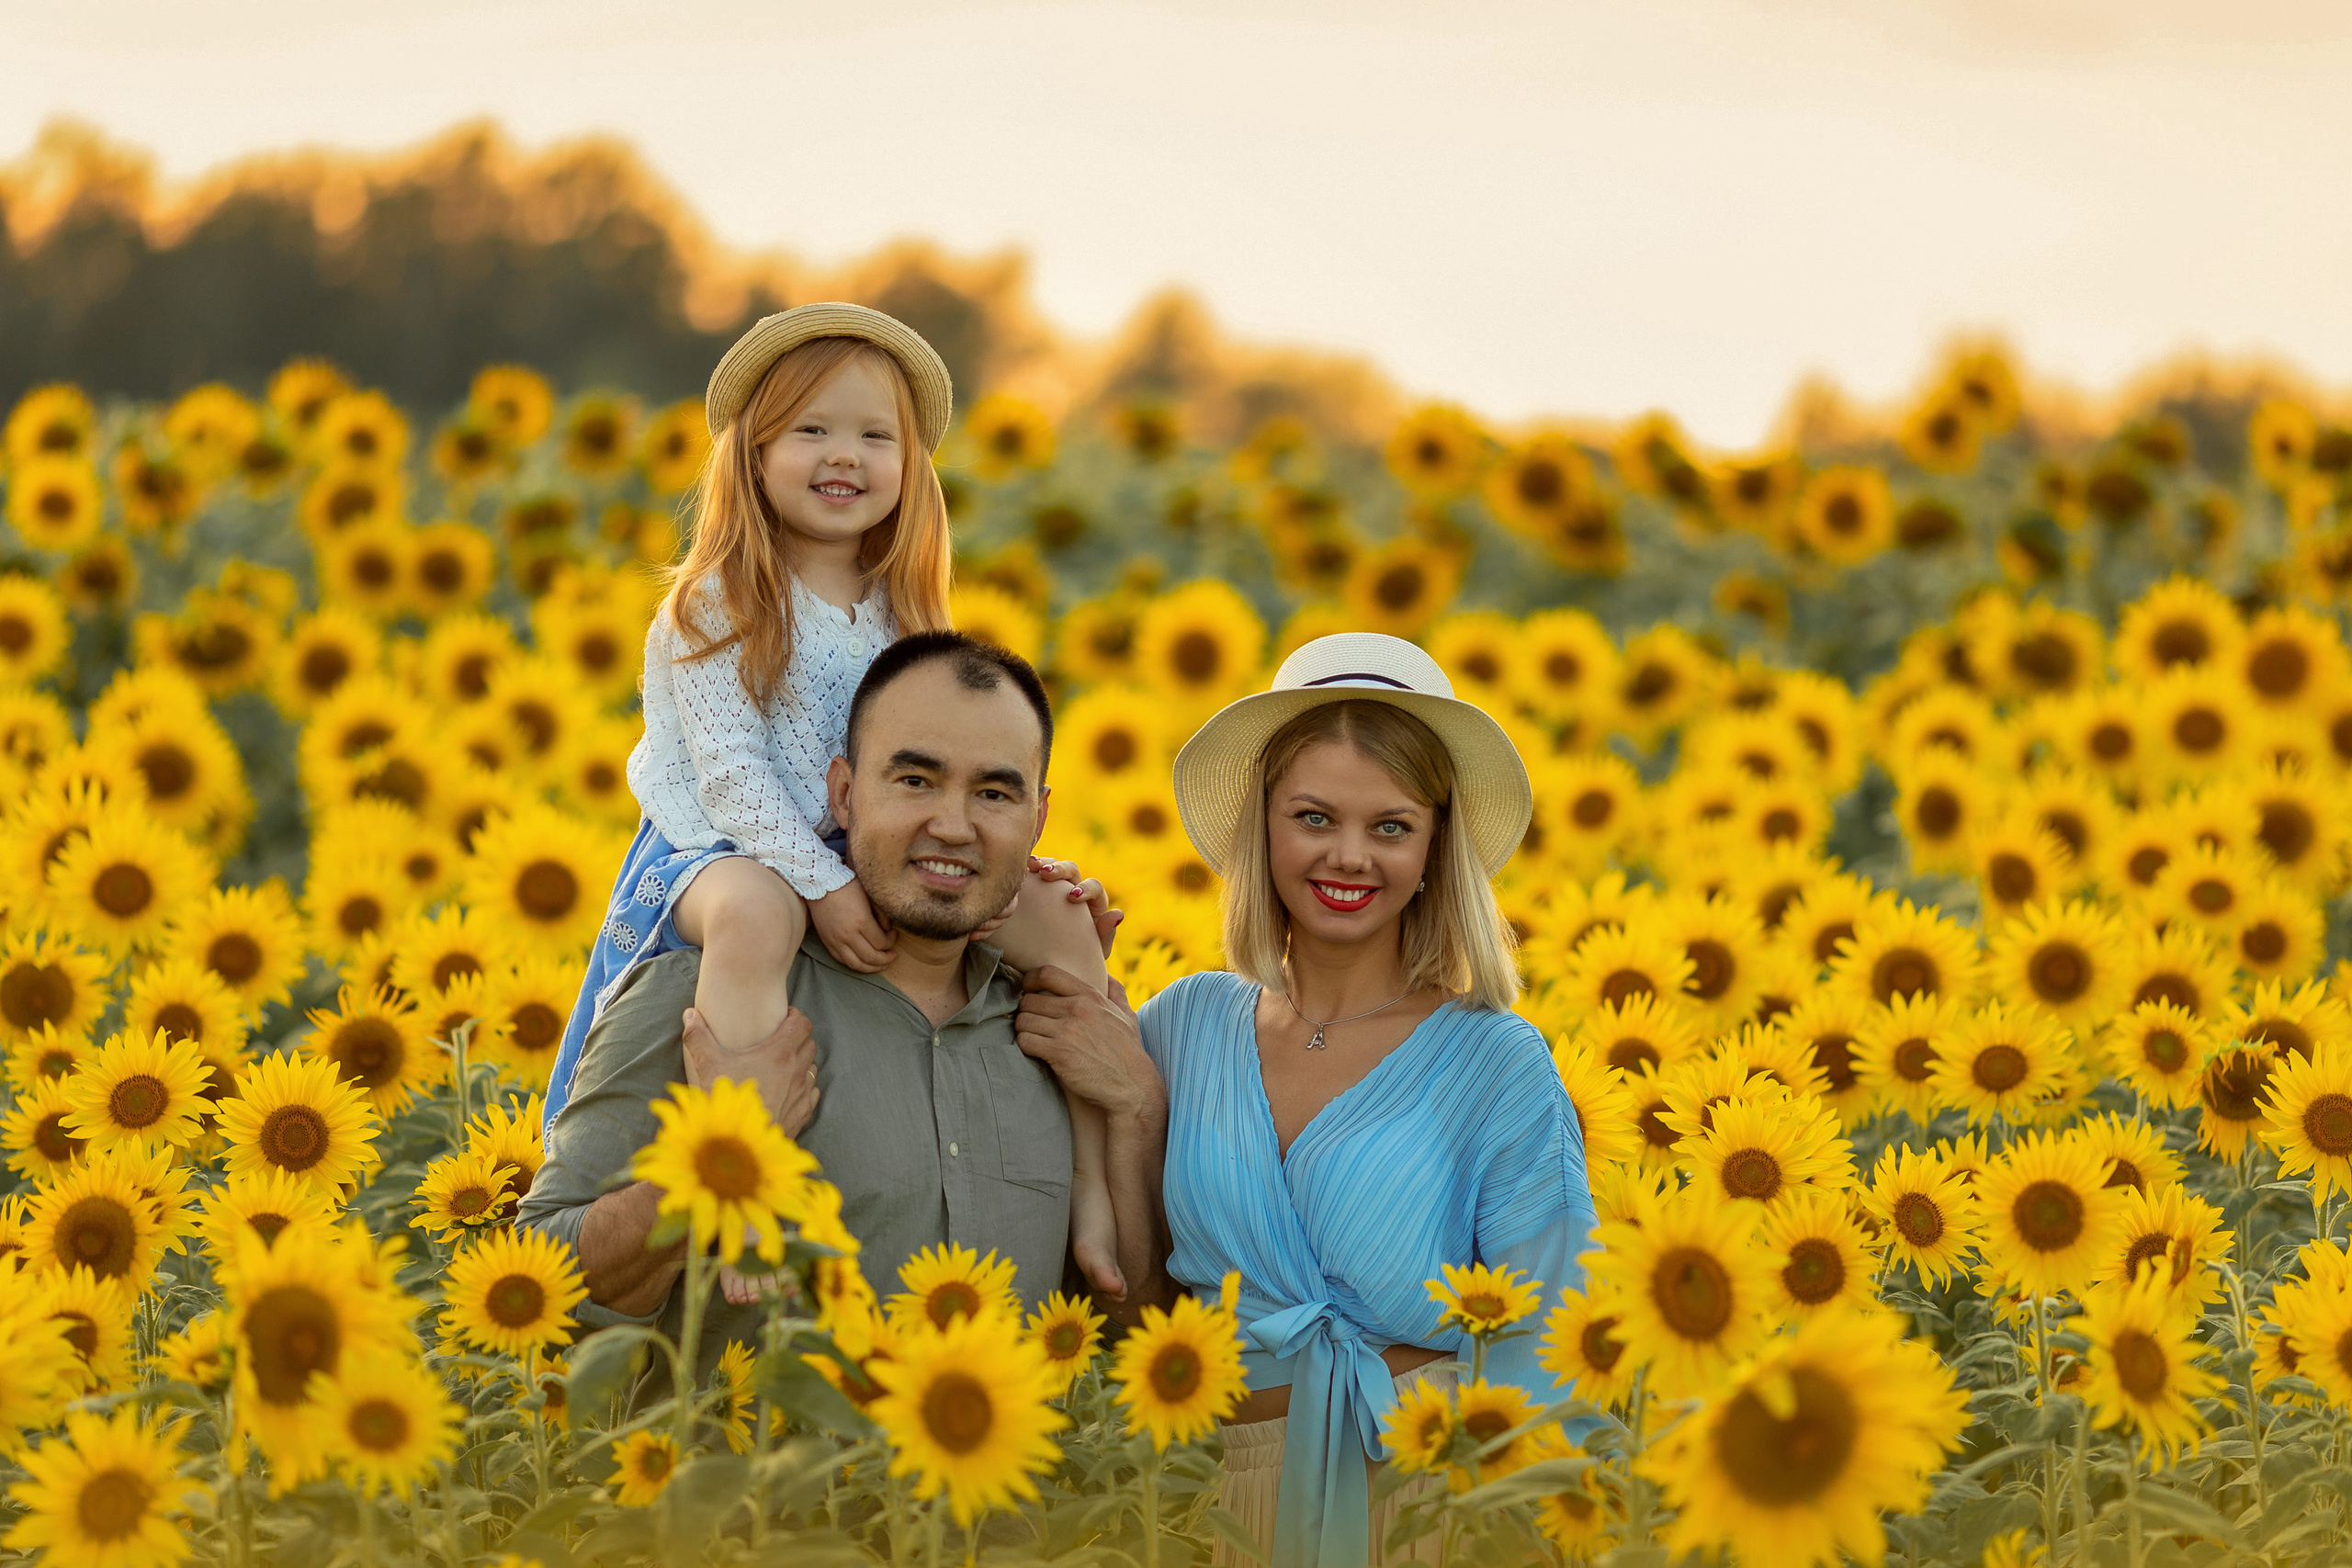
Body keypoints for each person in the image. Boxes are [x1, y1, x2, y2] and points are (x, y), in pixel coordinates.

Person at [541, 302, 1125, 1302]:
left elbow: (933, 766)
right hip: (718, 853)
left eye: (873, 435)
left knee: (1063, 923)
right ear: (754, 454)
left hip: (851, 850)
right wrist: (820, 884)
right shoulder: (715, 599)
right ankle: (745, 1181)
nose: (841, 456)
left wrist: (1013, 864)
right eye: (811, 430)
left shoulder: (904, 610)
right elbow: (728, 777)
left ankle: (1092, 1191)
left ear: (911, 466)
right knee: (760, 915)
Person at [517, 633, 1168, 1377]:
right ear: (844, 793)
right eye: (916, 780)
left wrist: (1139, 1112)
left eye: (994, 792)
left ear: (1038, 818)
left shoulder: (1067, 1025)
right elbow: (539, 1278)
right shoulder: (706, 996)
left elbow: (1132, 1328)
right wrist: (716, 1167)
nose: (954, 825)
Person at [1121, 632, 1594, 1568]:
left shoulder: (1495, 1058)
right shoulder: (1182, 1025)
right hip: (1199, 1502)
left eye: (1390, 826)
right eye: (1312, 816)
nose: (1348, 856)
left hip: (1424, 1499)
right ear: (1263, 825)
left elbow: (1551, 1330)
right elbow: (1119, 1267)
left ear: (1433, 847)